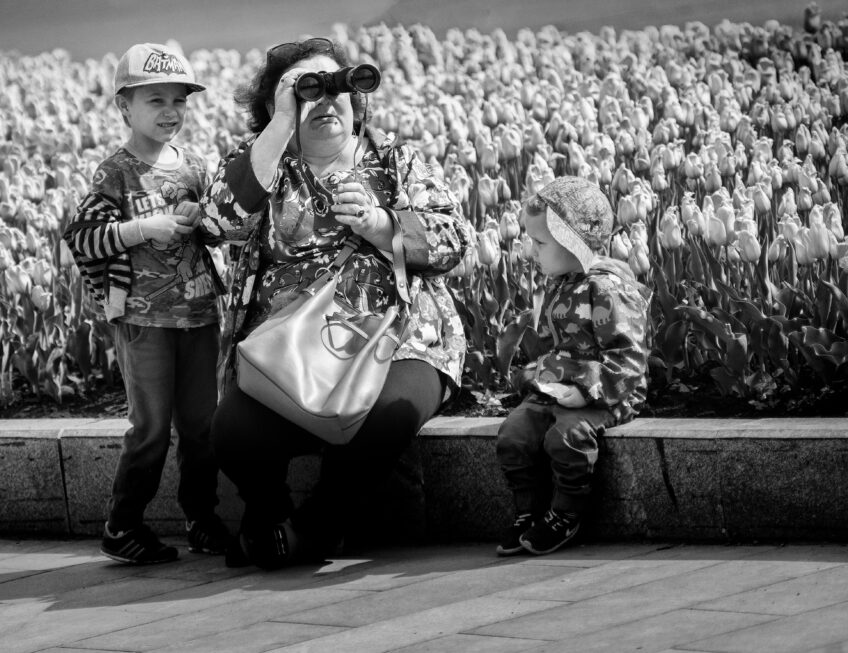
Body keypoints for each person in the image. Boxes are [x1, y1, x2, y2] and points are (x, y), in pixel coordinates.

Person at [201, 37, 470, 569]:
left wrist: (382, 225)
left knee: (386, 416)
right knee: (232, 430)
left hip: (400, 338)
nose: (326, 101)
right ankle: (270, 513)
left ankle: (315, 528)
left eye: (338, 88)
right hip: (293, 349)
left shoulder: (396, 161)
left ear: (356, 101)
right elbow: (217, 222)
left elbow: (454, 240)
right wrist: (279, 127)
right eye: (307, 92)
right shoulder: (263, 168)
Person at [64, 43, 229, 564]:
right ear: (123, 107)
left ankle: (202, 518)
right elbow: (82, 238)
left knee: (203, 426)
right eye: (155, 100)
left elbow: (219, 231)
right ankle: (123, 524)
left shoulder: (197, 166)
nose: (169, 112)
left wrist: (207, 223)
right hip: (142, 318)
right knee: (152, 426)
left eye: (179, 101)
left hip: (200, 313)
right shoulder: (114, 173)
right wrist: (141, 229)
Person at [495, 177, 650, 556]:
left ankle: (566, 512)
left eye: (540, 242)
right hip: (560, 384)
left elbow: (628, 357)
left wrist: (585, 393)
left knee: (564, 437)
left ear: (573, 241)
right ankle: (527, 510)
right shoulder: (563, 281)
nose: (532, 252)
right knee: (513, 434)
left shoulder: (607, 288)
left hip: (608, 392)